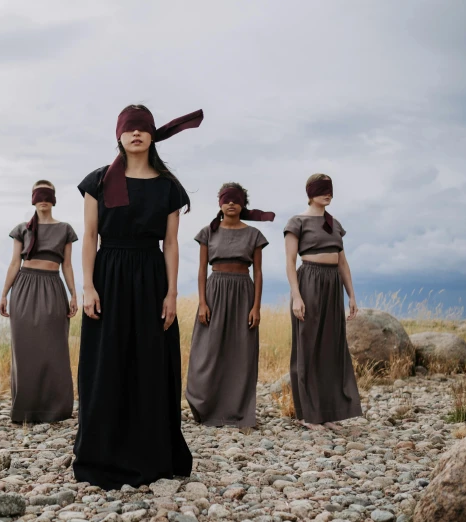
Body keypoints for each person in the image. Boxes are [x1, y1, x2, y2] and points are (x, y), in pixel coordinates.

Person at [73, 104, 202, 490]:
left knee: (149, 363)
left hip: (150, 277)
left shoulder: (167, 186)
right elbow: (90, 236)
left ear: (152, 135)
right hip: (108, 275)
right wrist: (88, 286)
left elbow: (172, 244)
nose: (136, 134)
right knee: (106, 364)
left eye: (143, 129)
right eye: (129, 129)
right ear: (119, 134)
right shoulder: (97, 181)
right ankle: (102, 451)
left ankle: (150, 452)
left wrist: (171, 292)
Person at [186, 182, 273, 432]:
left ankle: (238, 412)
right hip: (214, 292)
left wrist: (256, 307)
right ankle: (205, 407)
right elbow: (202, 269)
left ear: (242, 204)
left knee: (241, 352)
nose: (231, 203)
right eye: (226, 199)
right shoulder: (208, 232)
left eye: (235, 199)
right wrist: (202, 302)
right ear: (220, 204)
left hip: (243, 292)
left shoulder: (254, 234)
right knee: (208, 351)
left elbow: (258, 272)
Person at [284, 173, 362, 431]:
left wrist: (351, 295)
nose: (327, 194)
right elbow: (290, 262)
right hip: (309, 283)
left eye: (329, 190)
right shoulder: (297, 222)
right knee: (308, 349)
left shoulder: (334, 224)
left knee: (330, 349)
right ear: (310, 192)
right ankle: (306, 414)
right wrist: (296, 295)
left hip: (332, 286)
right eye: (321, 190)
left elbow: (342, 262)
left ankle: (326, 413)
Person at [0, 180, 79, 423]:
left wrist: (74, 294)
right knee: (24, 350)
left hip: (53, 286)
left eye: (47, 195)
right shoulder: (22, 229)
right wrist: (4, 294)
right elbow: (15, 263)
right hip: (24, 287)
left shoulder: (65, 229)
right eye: (38, 195)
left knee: (54, 348)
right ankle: (26, 409)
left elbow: (67, 265)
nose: (43, 199)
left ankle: (55, 409)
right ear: (33, 199)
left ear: (53, 199)